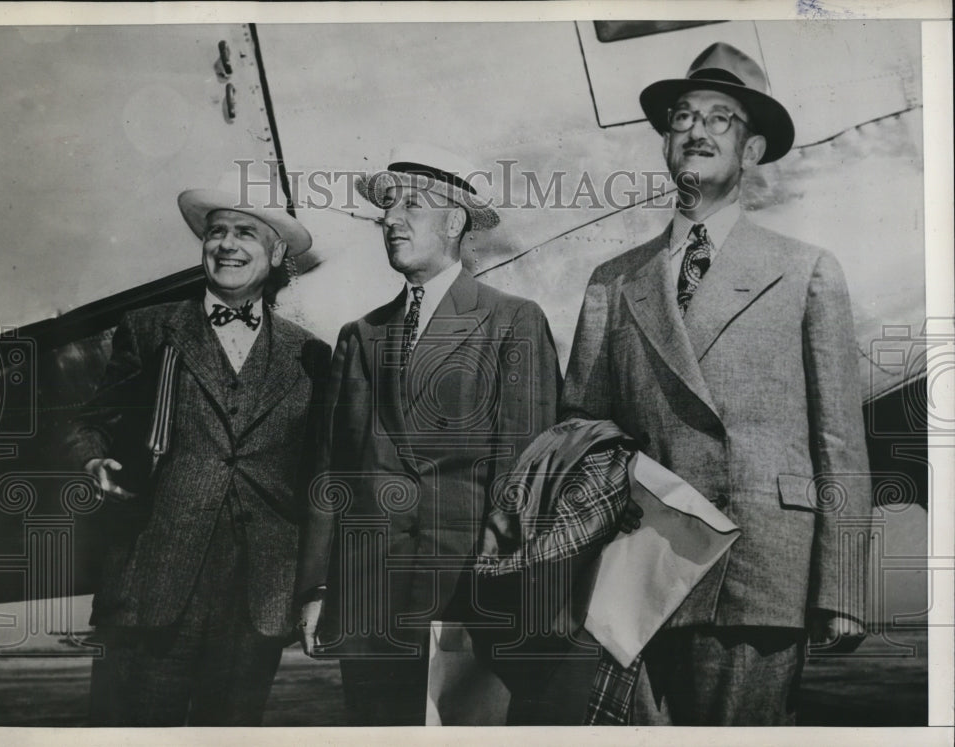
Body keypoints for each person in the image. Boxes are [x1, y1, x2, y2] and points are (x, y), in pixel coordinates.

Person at [560, 42, 871, 725]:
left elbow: (840, 442)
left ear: (752, 151)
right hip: (639, 572)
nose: (696, 130)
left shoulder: (806, 270)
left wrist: (841, 582)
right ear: (666, 145)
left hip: (758, 565)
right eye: (681, 117)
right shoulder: (613, 281)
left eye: (720, 119)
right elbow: (580, 437)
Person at [294, 143, 560, 725]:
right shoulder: (358, 335)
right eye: (387, 206)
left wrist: (515, 595)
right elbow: (329, 473)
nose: (390, 218)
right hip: (367, 600)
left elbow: (526, 476)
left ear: (455, 220)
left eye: (409, 203)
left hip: (469, 598)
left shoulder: (513, 321)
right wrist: (316, 590)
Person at [66, 175, 330, 725]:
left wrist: (312, 587)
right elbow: (90, 423)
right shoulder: (148, 328)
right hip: (153, 582)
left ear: (276, 253)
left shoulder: (311, 354)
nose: (227, 244)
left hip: (257, 595)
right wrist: (93, 460)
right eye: (217, 233)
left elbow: (320, 475)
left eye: (245, 234)